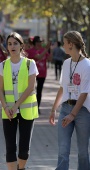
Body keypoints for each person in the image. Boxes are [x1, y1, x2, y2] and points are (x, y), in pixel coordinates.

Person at [0, 32, 39, 170]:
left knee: (23, 149)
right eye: (9, 44)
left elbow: (30, 88)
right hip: (8, 110)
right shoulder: (2, 65)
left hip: (26, 109)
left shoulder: (30, 64)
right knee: (10, 147)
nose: (12, 46)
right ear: (7, 47)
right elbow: (0, 90)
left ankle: (21, 168)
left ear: (22, 46)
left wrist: (16, 106)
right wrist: (5, 107)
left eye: (15, 43)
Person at [49, 31, 90, 170]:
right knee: (63, 150)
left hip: (82, 111)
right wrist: (54, 109)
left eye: (65, 43)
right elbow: (62, 87)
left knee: (83, 152)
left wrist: (73, 115)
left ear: (71, 44)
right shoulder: (66, 63)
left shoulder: (87, 65)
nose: (63, 46)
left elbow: (84, 93)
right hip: (65, 108)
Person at [27, 36, 52, 114]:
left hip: (42, 73)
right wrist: (46, 49)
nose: (40, 43)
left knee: (39, 91)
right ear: (34, 43)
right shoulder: (31, 51)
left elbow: (50, 59)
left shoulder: (43, 50)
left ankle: (37, 107)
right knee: (31, 90)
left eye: (41, 42)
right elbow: (38, 57)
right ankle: (30, 106)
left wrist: (50, 50)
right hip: (32, 74)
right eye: (38, 42)